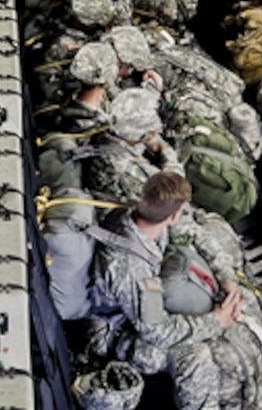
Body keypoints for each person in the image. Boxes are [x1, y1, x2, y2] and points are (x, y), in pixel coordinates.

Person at [88, 171, 243, 409]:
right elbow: (156, 332)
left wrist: (226, 277)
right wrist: (215, 321)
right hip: (119, 336)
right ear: (173, 215)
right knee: (195, 357)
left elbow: (196, 232)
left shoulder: (141, 212)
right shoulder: (130, 268)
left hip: (142, 312)